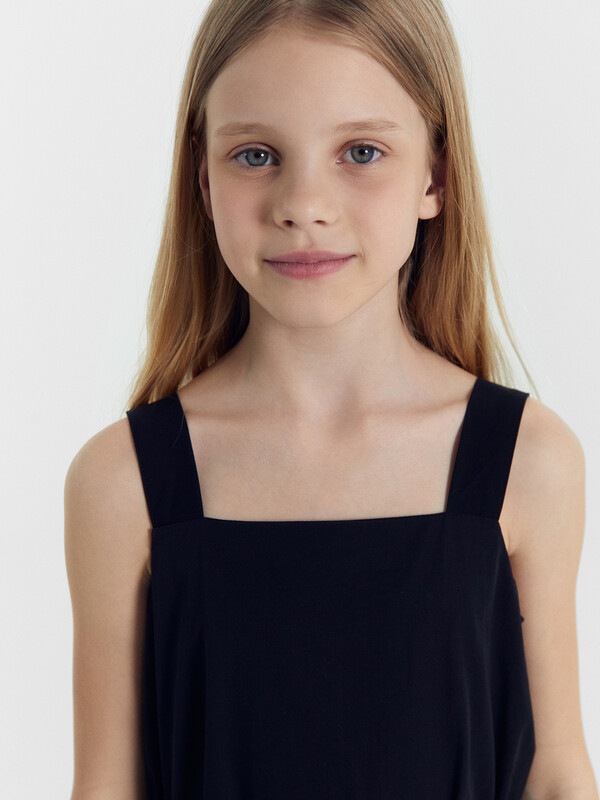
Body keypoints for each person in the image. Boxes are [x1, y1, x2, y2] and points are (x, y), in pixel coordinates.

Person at [64, 1, 598, 798]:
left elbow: (556, 777)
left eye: (361, 151)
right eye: (256, 154)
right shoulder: (123, 482)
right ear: (202, 179)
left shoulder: (528, 461)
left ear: (436, 176)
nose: (303, 204)